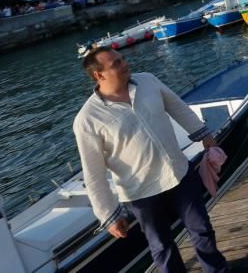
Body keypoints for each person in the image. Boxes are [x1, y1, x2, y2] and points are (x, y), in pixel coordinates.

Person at [74, 50, 227, 273]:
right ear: (99, 75)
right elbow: (93, 173)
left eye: (123, 58)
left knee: (202, 229)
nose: (125, 64)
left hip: (179, 173)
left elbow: (177, 107)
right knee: (162, 247)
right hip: (141, 193)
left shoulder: (148, 81)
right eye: (117, 63)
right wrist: (108, 215)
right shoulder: (87, 119)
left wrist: (205, 136)